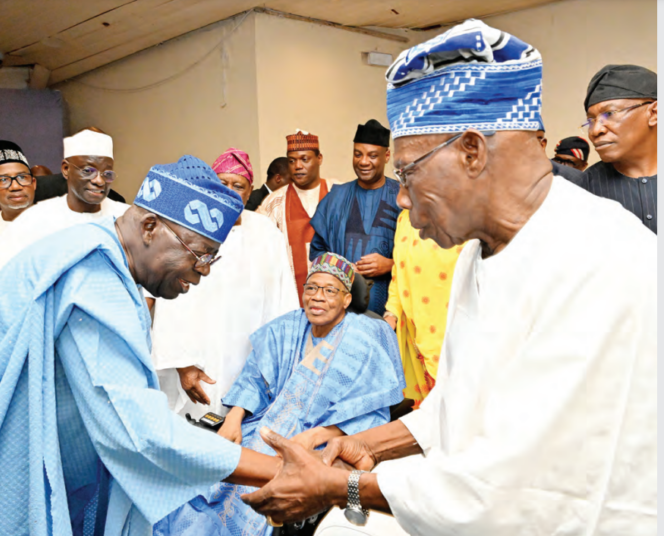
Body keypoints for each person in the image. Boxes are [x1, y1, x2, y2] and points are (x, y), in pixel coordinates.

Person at [241, 20, 656, 536]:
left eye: (409, 172)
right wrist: (360, 446)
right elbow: (459, 405)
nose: (401, 198)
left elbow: (519, 490)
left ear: (472, 151)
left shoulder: (598, 256)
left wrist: (337, 488)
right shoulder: (478, 253)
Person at [0, 156, 285, 536]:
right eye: (200, 254)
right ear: (149, 227)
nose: (205, 270)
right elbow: (140, 433)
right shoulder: (93, 273)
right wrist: (282, 471)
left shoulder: (96, 248)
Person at [155, 252, 405, 536]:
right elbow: (255, 378)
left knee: (260, 495)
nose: (317, 297)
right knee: (207, 476)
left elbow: (371, 410)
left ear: (347, 299)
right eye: (311, 288)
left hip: (325, 441)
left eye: (329, 290)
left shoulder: (367, 335)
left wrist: (318, 434)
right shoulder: (288, 326)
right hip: (266, 426)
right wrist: (234, 420)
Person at [152, 148, 296, 420]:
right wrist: (182, 365)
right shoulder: (189, 230)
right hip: (200, 358)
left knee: (246, 430)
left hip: (252, 357)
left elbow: (284, 298)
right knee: (200, 431)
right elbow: (170, 302)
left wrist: (280, 358)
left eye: (238, 185)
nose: (229, 191)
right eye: (222, 184)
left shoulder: (266, 232)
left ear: (250, 189)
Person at [0, 128, 129, 270]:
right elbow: (10, 276)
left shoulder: (127, 216)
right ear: (66, 169)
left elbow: (146, 273)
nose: (99, 181)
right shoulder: (35, 218)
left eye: (107, 173)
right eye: (87, 171)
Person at [310, 119, 400, 316]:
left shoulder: (402, 198)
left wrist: (391, 264)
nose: (364, 161)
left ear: (386, 156)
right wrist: (338, 266)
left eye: (372, 155)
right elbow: (317, 252)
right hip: (339, 314)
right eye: (358, 154)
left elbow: (419, 256)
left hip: (390, 316)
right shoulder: (336, 197)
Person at [383, 210, 461, 410]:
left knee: (457, 403)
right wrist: (391, 312)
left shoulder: (464, 214)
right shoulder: (404, 218)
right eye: (402, 177)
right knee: (428, 413)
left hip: (453, 326)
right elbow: (397, 272)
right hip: (413, 326)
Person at [258, 130, 336, 303]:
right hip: (291, 299)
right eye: (292, 161)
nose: (297, 166)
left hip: (335, 296)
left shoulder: (338, 192)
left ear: (319, 159)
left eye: (304, 159)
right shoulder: (274, 202)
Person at [580, 64, 657, 233]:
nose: (595, 131)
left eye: (610, 114)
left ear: (654, 114)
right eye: (590, 121)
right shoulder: (583, 191)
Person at [0, 140, 37, 235]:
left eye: (22, 177)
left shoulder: (59, 223)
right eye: (3, 180)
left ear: (33, 183)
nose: (15, 186)